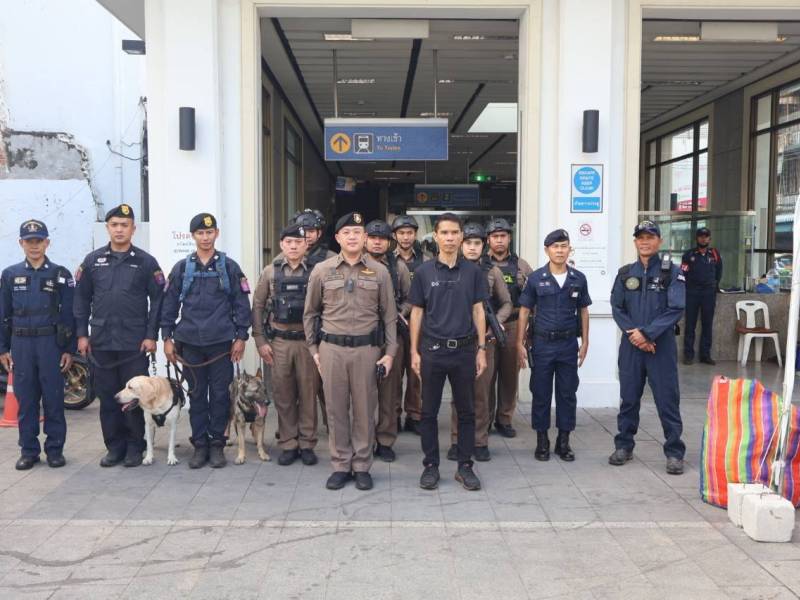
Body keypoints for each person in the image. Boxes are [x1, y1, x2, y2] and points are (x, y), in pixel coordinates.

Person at [303, 212, 397, 491]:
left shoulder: (380, 272)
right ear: (337, 238)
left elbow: (389, 316)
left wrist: (390, 353)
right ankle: (341, 464)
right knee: (335, 409)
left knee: (366, 410)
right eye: (347, 233)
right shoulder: (322, 270)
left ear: (365, 238)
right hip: (331, 350)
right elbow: (310, 313)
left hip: (367, 350)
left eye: (358, 232)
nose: (353, 237)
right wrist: (313, 349)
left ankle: (362, 465)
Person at [74, 204, 164, 467]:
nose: (119, 229)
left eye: (124, 225)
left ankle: (136, 447)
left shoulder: (146, 262)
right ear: (108, 228)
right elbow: (80, 299)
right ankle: (114, 447)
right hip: (101, 342)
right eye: (114, 224)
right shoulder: (92, 261)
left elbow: (158, 300)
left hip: (134, 343)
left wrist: (151, 335)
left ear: (133, 229)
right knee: (108, 397)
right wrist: (82, 334)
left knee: (136, 399)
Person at [161, 213, 251, 469]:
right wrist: (167, 337)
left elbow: (241, 303)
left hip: (221, 343)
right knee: (197, 395)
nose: (205, 237)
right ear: (193, 236)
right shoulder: (182, 268)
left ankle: (217, 445)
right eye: (200, 233)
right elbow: (169, 305)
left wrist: (241, 336)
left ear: (216, 234)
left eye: (209, 233)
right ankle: (200, 445)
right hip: (189, 343)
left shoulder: (229, 267)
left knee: (221, 395)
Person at [409, 213, 488, 491]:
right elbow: (416, 314)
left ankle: (465, 466)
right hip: (432, 351)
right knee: (428, 412)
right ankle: (431, 465)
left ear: (462, 236)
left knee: (467, 411)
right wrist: (414, 352)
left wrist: (481, 349)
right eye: (445, 233)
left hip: (465, 351)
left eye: (455, 233)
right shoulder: (423, 272)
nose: (451, 238)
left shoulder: (473, 273)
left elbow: (478, 311)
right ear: (437, 237)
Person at [609, 220, 686, 475]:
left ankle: (674, 452)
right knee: (629, 398)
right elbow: (617, 308)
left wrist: (648, 333)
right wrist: (636, 335)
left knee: (667, 400)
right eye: (640, 237)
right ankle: (624, 446)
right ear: (635, 242)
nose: (645, 241)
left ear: (659, 241)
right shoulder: (624, 274)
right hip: (632, 346)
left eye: (650, 237)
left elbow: (675, 308)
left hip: (660, 347)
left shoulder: (672, 273)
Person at [0, 220, 75, 470]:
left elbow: (69, 315)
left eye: (39, 241)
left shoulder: (60, 274)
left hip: (49, 344)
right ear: (21, 243)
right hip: (21, 344)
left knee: (53, 398)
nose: (34, 246)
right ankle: (29, 451)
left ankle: (54, 449)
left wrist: (68, 349)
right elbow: (3, 313)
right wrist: (2, 348)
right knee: (26, 400)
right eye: (29, 241)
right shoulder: (10, 275)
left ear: (47, 243)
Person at [517, 229, 591, 462]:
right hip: (542, 344)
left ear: (570, 249)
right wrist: (519, 342)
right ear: (547, 250)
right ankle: (542, 441)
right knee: (541, 393)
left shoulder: (578, 278)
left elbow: (584, 310)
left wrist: (585, 341)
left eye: (564, 246)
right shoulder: (536, 278)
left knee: (567, 393)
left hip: (568, 344)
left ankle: (563, 441)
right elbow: (525, 311)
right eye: (555, 246)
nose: (560, 251)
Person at [252, 223, 319, 467]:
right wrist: (260, 340)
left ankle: (308, 443)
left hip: (308, 343)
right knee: (283, 394)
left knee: (308, 393)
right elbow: (258, 306)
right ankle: (289, 443)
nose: (293, 246)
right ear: (282, 244)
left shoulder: (317, 271)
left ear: (305, 245)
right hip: (279, 342)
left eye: (298, 242)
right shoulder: (270, 272)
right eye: (288, 242)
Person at [445, 222, 512, 463]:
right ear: (461, 244)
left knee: (482, 394)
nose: (472, 248)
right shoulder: (451, 269)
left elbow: (506, 303)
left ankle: (480, 440)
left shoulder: (492, 271)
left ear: (483, 246)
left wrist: (497, 324)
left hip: (484, 341)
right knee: (459, 394)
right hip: (458, 340)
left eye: (477, 244)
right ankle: (456, 440)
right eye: (468, 243)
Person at [365, 219, 412, 462]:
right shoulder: (355, 264)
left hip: (391, 336)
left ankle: (385, 440)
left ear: (388, 242)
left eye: (381, 238)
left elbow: (410, 298)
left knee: (389, 392)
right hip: (362, 339)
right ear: (365, 239)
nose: (376, 242)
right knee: (362, 392)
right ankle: (364, 439)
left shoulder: (399, 267)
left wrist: (396, 314)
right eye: (373, 237)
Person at [484, 217, 533, 438]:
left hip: (513, 324)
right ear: (488, 240)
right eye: (495, 237)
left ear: (509, 238)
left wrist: (527, 333)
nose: (499, 240)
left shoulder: (522, 266)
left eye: (503, 236)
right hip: (485, 327)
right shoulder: (481, 264)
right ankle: (483, 420)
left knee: (509, 375)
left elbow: (532, 300)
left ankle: (504, 418)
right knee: (485, 376)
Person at [391, 214, 431, 435]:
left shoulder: (427, 260)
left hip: (422, 324)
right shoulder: (387, 260)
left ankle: (414, 415)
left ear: (415, 234)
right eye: (401, 233)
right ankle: (393, 414)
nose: (406, 237)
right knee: (394, 373)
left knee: (417, 371)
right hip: (395, 325)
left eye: (409, 233)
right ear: (395, 235)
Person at [681, 227, 722, 365]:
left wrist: (713, 285)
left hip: (708, 294)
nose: (703, 239)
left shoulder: (714, 254)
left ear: (709, 238)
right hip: (692, 293)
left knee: (707, 325)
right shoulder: (689, 254)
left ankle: (705, 355)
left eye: (706, 236)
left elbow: (719, 272)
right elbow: (683, 273)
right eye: (701, 236)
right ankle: (688, 355)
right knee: (690, 325)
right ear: (696, 238)